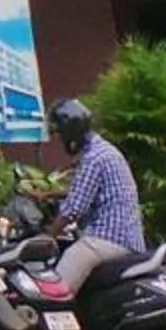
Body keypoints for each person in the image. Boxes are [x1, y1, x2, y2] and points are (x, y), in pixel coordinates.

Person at [49, 97, 144, 296]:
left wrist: (48, 236)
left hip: (109, 238)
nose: (59, 140)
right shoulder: (105, 151)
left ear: (70, 132)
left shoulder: (93, 158)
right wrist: (49, 195)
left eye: (60, 134)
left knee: (57, 291)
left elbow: (74, 208)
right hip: (129, 238)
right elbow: (89, 191)